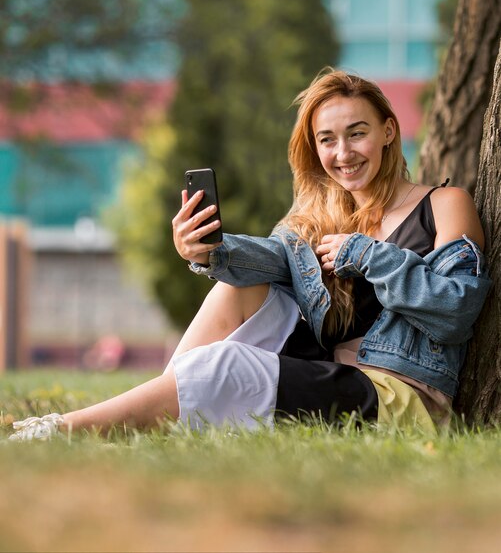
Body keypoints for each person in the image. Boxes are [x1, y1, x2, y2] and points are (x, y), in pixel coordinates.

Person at [8, 69, 490, 442]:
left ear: (388, 131)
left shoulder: (443, 205)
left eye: (357, 133)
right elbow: (268, 258)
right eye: (327, 140)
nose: (343, 153)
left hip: (399, 397)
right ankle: (164, 409)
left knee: (226, 366)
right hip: (333, 376)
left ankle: (65, 429)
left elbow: (455, 311)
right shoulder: (318, 217)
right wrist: (207, 249)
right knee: (237, 286)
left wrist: (368, 254)